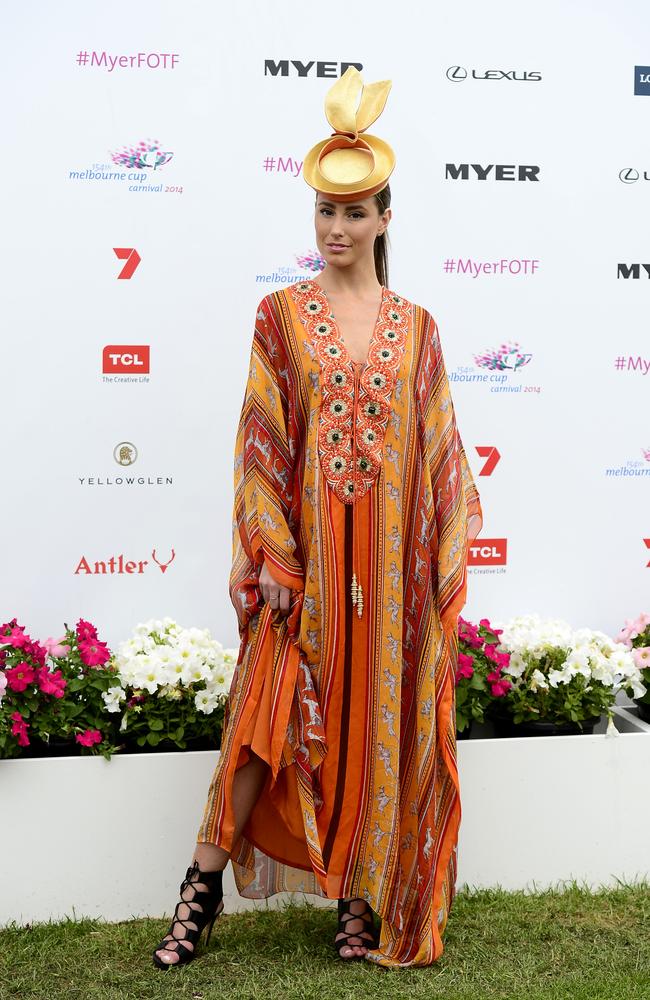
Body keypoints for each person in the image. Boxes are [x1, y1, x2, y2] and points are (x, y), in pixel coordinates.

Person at [152, 66, 483, 971]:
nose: (335, 231)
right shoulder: (280, 316)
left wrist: (434, 561)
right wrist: (271, 555)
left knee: (377, 723)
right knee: (264, 721)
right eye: (323, 215)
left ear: (384, 218)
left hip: (389, 569)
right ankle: (200, 890)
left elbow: (442, 454)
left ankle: (364, 896)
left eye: (353, 214)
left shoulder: (418, 327)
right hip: (303, 566)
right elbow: (262, 441)